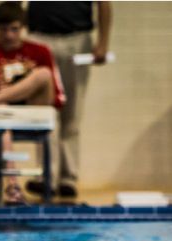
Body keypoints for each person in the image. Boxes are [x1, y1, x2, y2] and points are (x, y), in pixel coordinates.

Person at [0, 1, 65, 205]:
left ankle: (46, 180)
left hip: (34, 112)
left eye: (14, 29)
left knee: (43, 74)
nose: (9, 35)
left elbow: (55, 96)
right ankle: (12, 187)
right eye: (4, 29)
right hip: (2, 118)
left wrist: (2, 94)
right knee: (1, 110)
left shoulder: (40, 51)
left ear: (22, 28)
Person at [26, 1, 111, 200]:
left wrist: (103, 42)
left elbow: (104, 4)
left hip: (77, 38)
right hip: (39, 36)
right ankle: (47, 174)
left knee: (72, 112)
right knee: (44, 112)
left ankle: (68, 178)